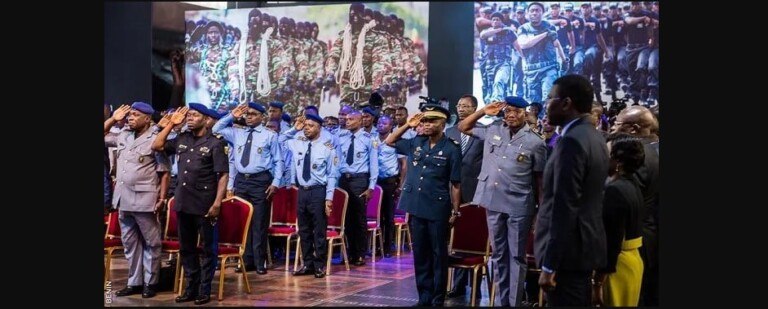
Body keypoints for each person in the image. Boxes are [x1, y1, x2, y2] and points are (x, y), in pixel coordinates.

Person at [458, 96, 546, 306]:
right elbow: (463, 126)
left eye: (516, 111)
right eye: (508, 111)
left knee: (516, 257)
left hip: (519, 204)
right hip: (493, 201)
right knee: (498, 255)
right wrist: (483, 112)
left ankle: (513, 303)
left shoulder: (536, 142)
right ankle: (501, 301)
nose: (511, 115)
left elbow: (540, 182)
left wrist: (540, 212)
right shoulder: (493, 130)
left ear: (525, 113)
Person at [534, 74, 609, 306]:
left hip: (567, 256)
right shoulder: (594, 136)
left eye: (549, 99)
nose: (546, 105)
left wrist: (550, 264)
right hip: (581, 250)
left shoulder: (572, 142)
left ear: (566, 103)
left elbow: (565, 207)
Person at [384, 104, 462, 306]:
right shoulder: (416, 142)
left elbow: (455, 183)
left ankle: (437, 299)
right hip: (416, 206)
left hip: (438, 207)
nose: (426, 124)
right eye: (424, 121)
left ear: (442, 124)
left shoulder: (451, 148)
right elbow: (390, 140)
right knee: (420, 254)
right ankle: (423, 298)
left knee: (438, 255)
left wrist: (455, 210)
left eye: (432, 121)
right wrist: (407, 125)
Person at [151, 104, 229, 305]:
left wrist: (218, 203)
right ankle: (190, 288)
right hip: (184, 202)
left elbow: (223, 175)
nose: (190, 118)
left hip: (205, 203)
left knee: (207, 249)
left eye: (195, 115)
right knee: (186, 249)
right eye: (189, 115)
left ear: (206, 119)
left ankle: (204, 289)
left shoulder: (215, 142)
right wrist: (171, 125)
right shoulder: (182, 139)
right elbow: (157, 145)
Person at [105, 103, 170, 299]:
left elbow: (164, 172)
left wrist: (162, 197)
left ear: (147, 119)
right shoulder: (124, 134)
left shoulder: (156, 137)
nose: (130, 117)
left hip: (144, 197)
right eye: (130, 114)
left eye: (135, 115)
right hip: (123, 197)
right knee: (130, 243)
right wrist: (113, 119)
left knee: (151, 243)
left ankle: (151, 283)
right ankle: (134, 281)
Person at [212, 102, 283, 274]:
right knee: (244, 221)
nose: (249, 117)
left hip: (261, 181)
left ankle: (260, 262)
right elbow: (216, 128)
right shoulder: (237, 133)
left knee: (259, 222)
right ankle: (246, 260)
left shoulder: (269, 135)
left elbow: (278, 160)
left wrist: (275, 183)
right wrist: (232, 115)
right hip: (242, 181)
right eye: (247, 114)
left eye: (253, 114)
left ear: (261, 116)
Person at [592, 133, 646, 307]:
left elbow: (611, 241)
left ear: (619, 162)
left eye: (607, 155)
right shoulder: (633, 184)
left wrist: (598, 282)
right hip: (633, 262)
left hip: (616, 268)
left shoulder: (614, 190)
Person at [285, 114, 339, 278]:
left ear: (319, 128)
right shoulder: (297, 142)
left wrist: (329, 198)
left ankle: (319, 264)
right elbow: (279, 140)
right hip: (302, 190)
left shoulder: (327, 148)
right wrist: (295, 128)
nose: (307, 128)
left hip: (318, 191)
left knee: (319, 230)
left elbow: (332, 175)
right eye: (305, 125)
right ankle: (307, 263)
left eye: (311, 125)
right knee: (304, 230)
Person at [444, 95, 486, 299]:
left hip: (475, 190)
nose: (461, 109)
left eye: (466, 106)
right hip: (452, 190)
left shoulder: (484, 132)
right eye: (459, 105)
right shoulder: (449, 132)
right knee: (455, 240)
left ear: (475, 108)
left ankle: (476, 286)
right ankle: (458, 285)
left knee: (473, 238)